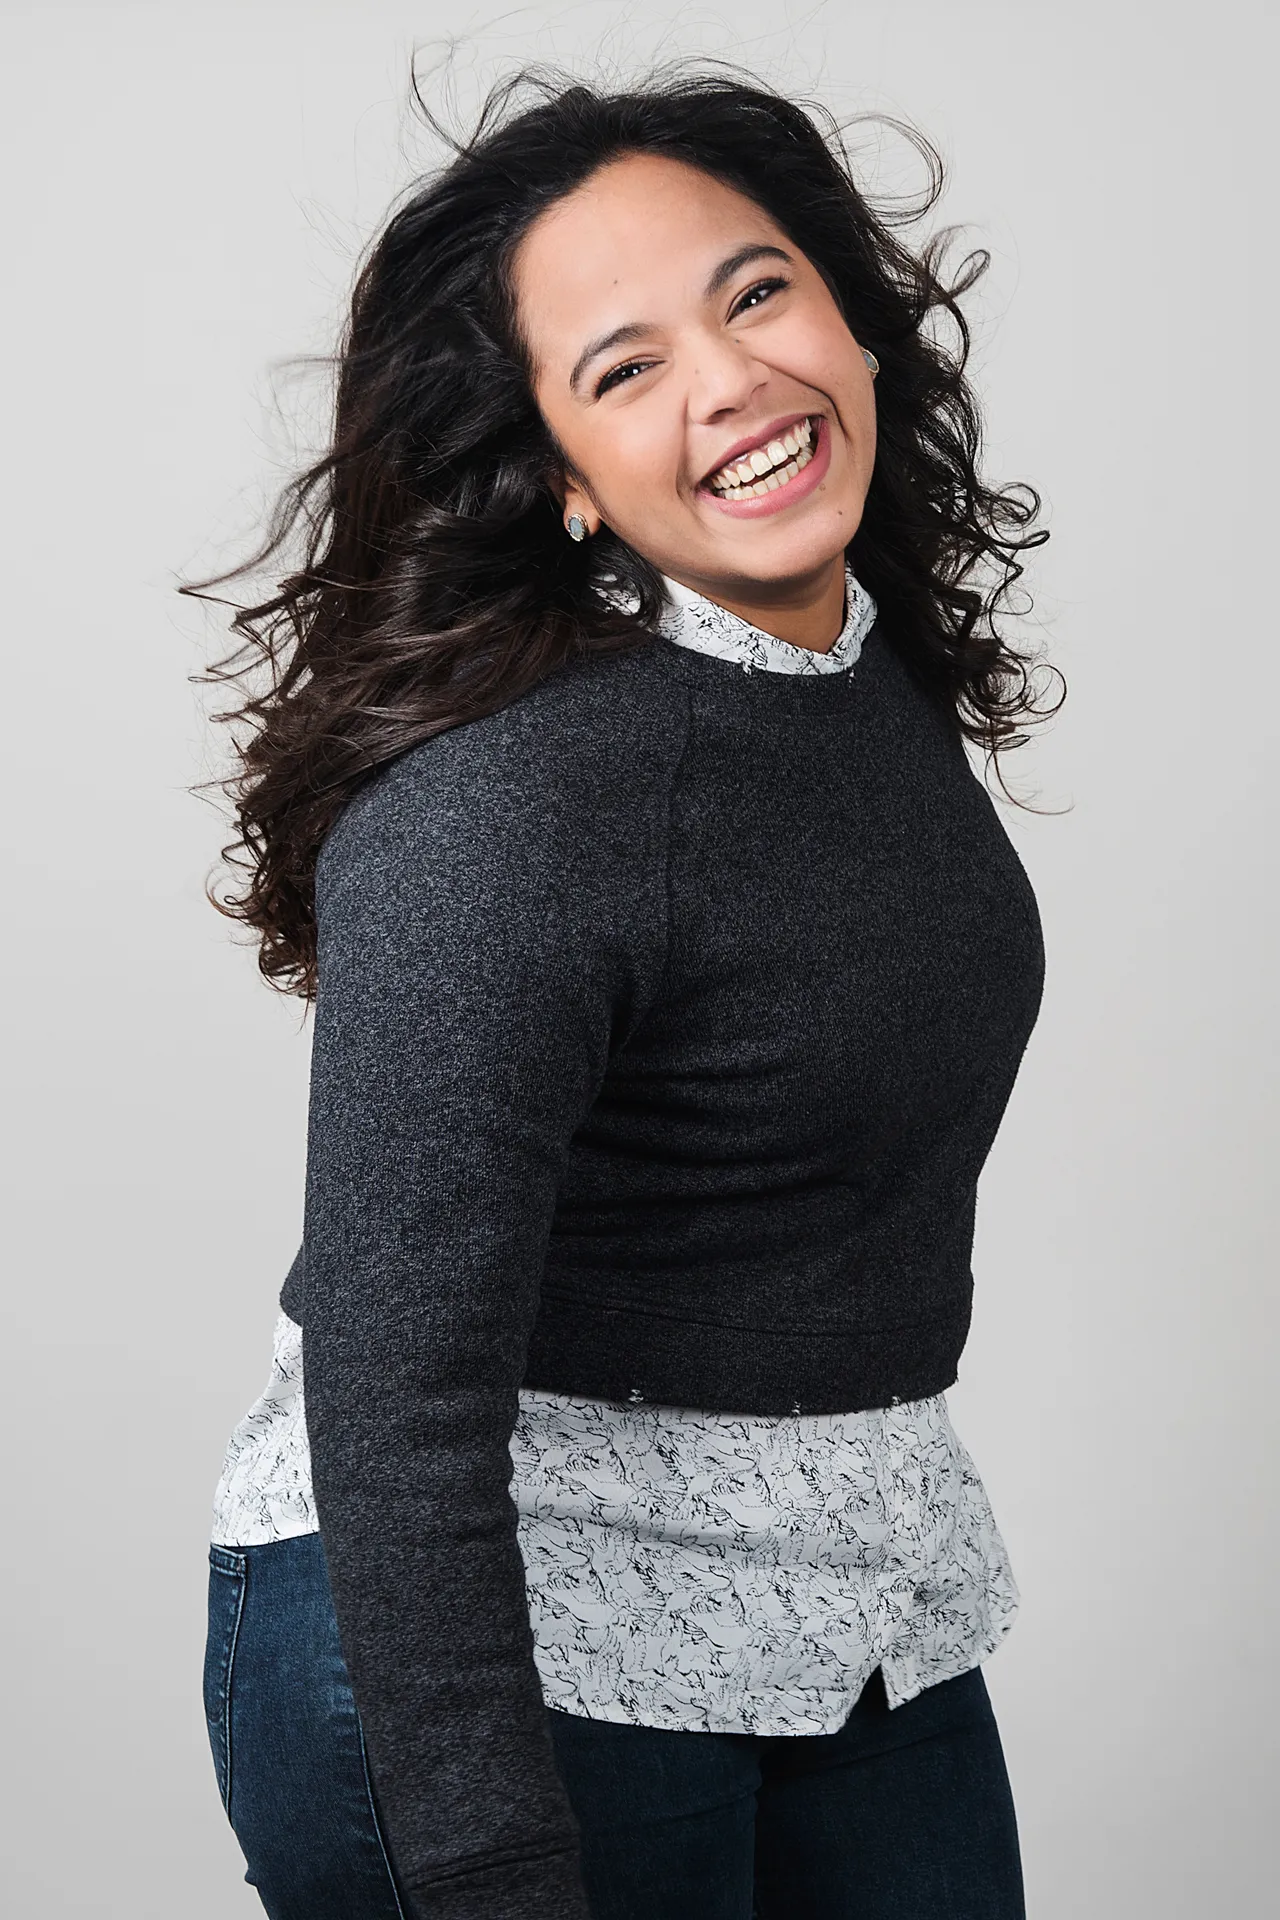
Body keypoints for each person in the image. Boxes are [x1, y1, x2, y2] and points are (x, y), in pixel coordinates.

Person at [192, 63, 1059, 1920]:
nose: (733, 384)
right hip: (495, 1647)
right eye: (624, 368)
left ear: (851, 317)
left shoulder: (840, 681)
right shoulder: (515, 806)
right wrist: (491, 1864)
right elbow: (396, 1378)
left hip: (849, 1612)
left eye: (756, 295)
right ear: (564, 482)